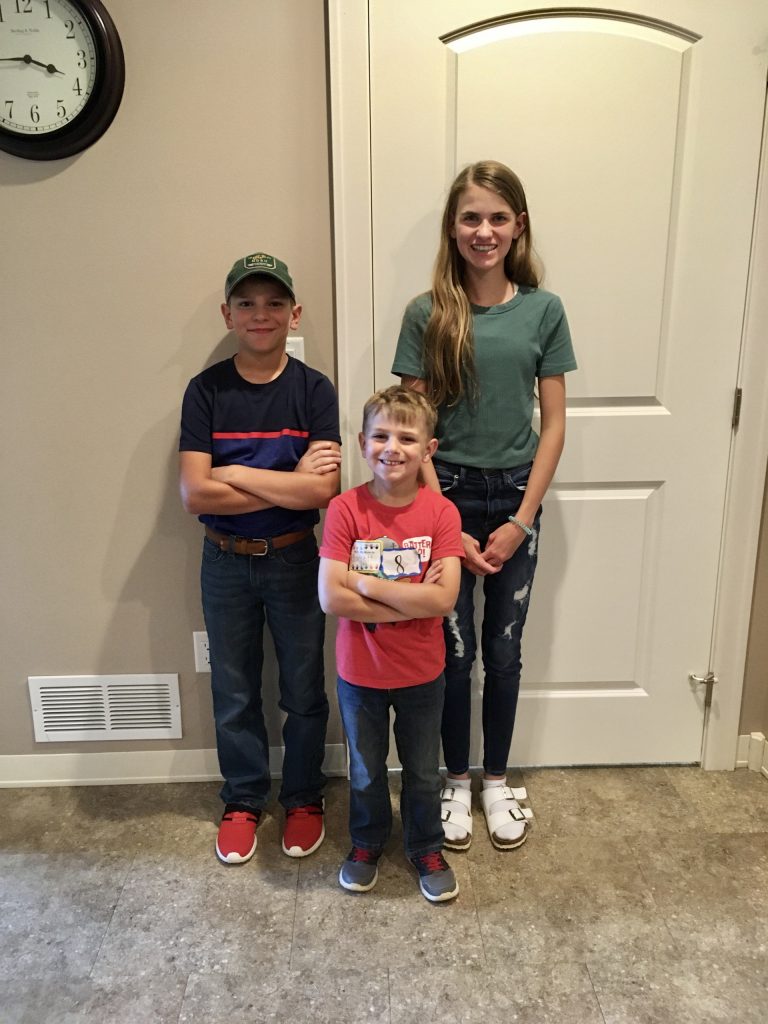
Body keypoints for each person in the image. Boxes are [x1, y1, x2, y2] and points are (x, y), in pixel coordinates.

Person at [392, 160, 577, 852]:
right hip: (446, 494)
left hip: (515, 499)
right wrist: (445, 522)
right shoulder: (427, 313)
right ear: (453, 226)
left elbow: (553, 425)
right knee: (451, 650)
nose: (484, 230)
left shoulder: (544, 310)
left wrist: (521, 520)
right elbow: (411, 426)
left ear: (518, 226)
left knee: (503, 649)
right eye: (471, 217)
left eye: (498, 217)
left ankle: (496, 781)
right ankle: (454, 781)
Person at [179, 252, 341, 865]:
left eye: (274, 303)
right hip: (223, 561)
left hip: (296, 559)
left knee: (303, 688)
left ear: (294, 314)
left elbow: (321, 492)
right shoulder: (206, 391)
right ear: (228, 315)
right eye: (246, 303)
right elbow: (196, 496)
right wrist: (288, 479)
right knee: (234, 688)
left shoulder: (314, 390)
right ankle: (243, 799)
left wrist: (236, 473)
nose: (260, 314)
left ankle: (302, 795)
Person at [318, 386, 464, 902]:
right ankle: (367, 842)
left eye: (407, 437)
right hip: (360, 673)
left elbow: (444, 600)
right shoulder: (345, 509)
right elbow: (330, 597)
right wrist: (413, 599)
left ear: (428, 450)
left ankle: (425, 845)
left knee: (423, 772)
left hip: (423, 672)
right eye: (380, 435)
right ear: (362, 444)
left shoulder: (442, 514)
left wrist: (364, 583)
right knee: (364, 770)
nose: (392, 447)